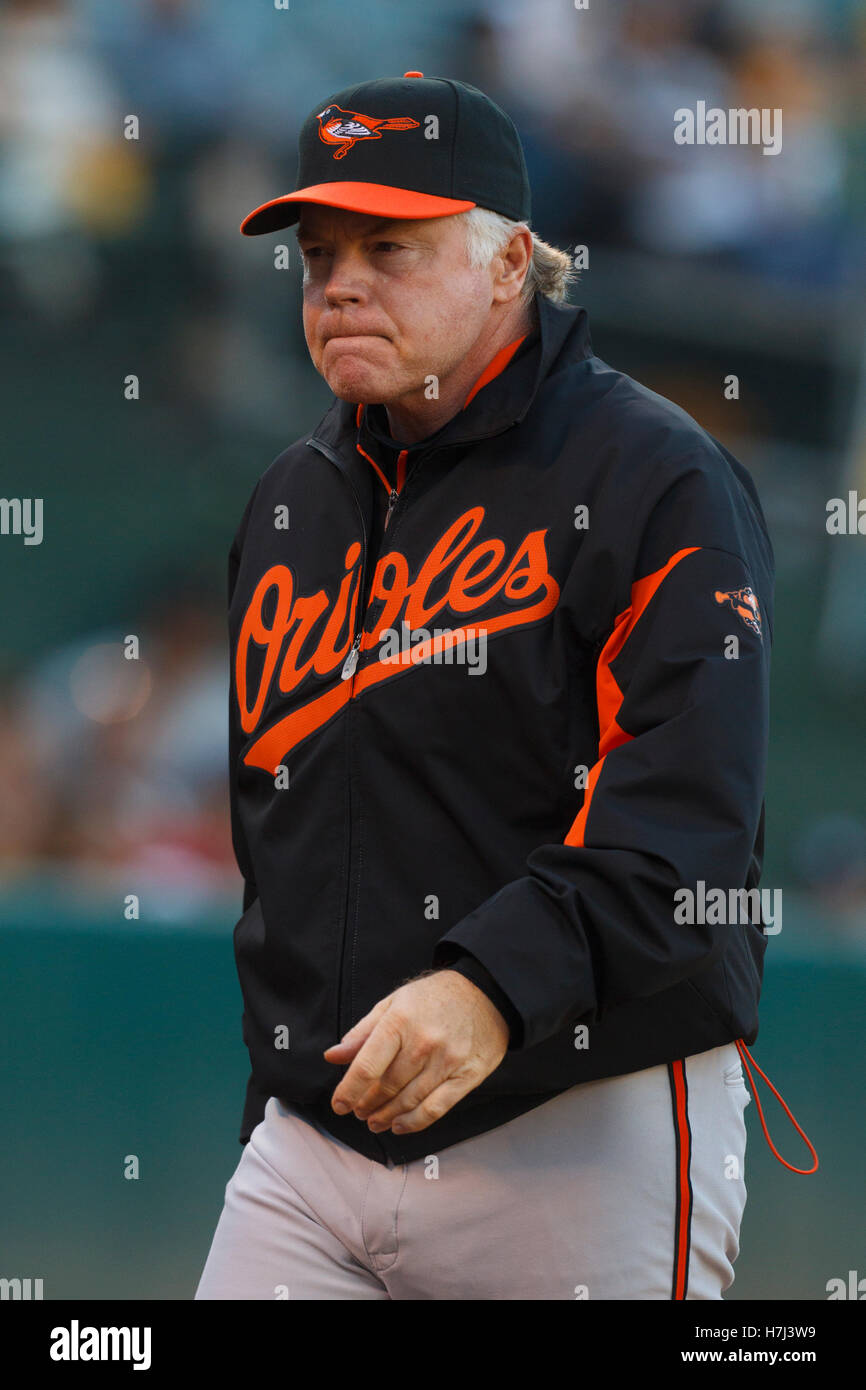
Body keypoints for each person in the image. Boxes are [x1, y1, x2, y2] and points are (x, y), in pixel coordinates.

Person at [196, 71, 777, 1300]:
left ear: (511, 262)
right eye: (319, 253)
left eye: (387, 246)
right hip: (317, 1141)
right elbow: (286, 842)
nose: (339, 281)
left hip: (579, 1118)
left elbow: (688, 829)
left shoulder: (652, 478)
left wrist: (491, 982)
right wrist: (279, 1086)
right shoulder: (292, 501)